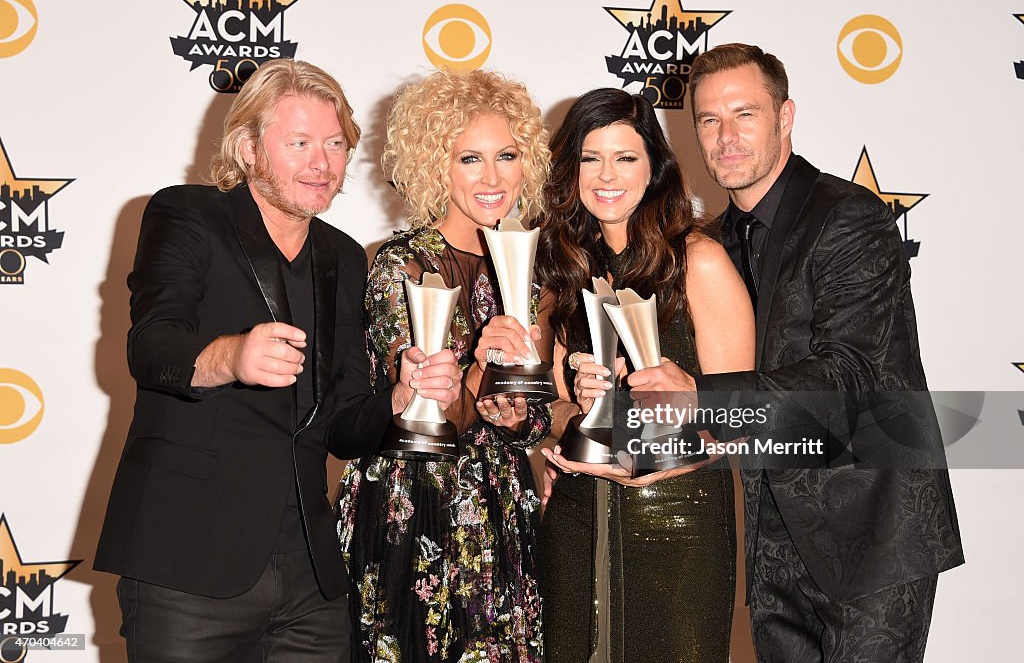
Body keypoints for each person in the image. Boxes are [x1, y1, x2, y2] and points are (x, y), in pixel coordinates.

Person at [93, 59, 461, 662]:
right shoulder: (188, 215)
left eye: (336, 143)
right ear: (247, 148)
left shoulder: (343, 257)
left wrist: (400, 396)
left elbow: (342, 423)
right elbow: (152, 345)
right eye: (299, 143)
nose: (322, 163)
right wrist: (230, 356)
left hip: (309, 577)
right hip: (188, 563)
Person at [679, 43, 964, 661]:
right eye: (709, 119)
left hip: (873, 531)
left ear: (785, 117)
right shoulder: (711, 244)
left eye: (745, 114)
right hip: (771, 538)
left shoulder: (850, 218)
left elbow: (850, 374)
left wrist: (697, 398)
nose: (726, 136)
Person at [335, 69, 552, 662]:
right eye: (470, 159)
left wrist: (517, 417)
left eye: (507, 156)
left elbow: (536, 419)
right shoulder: (401, 269)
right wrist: (481, 364)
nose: (492, 177)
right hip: (417, 515)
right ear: (436, 165)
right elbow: (430, 422)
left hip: (503, 512)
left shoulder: (533, 270)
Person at [531, 88, 755, 662]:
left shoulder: (698, 261)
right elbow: (553, 411)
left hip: (678, 518)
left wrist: (677, 442)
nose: (607, 175)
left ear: (654, 167)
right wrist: (577, 409)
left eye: (626, 157)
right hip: (578, 522)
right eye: (590, 157)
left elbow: (744, 414)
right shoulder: (563, 270)